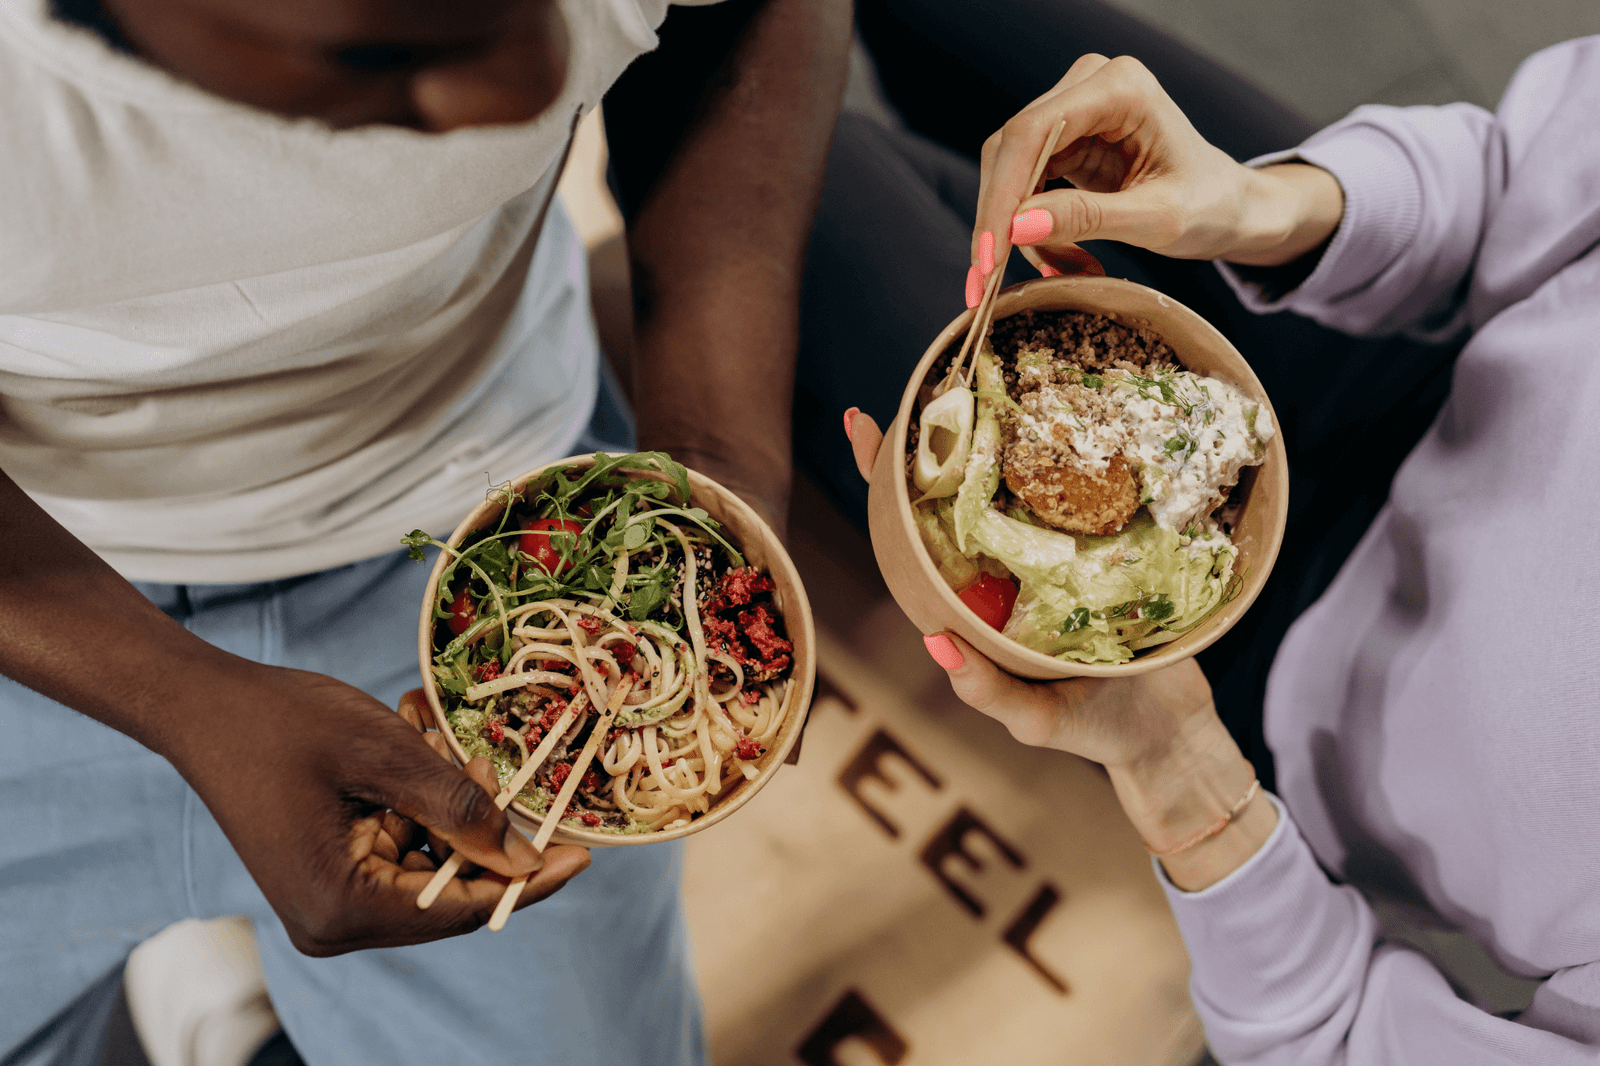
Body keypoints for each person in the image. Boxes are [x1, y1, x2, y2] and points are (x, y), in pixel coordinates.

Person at [0, 0, 848, 1063]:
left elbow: (736, 23)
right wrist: (177, 697)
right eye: (385, 49)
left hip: (477, 503)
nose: (532, 96)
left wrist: (721, 461)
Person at [842, 17, 1600, 1066]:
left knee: (809, 189)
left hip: (1253, 708)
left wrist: (1180, 777)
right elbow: (1531, 173)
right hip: (1397, 350)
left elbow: (1339, 1042)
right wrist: (1264, 206)